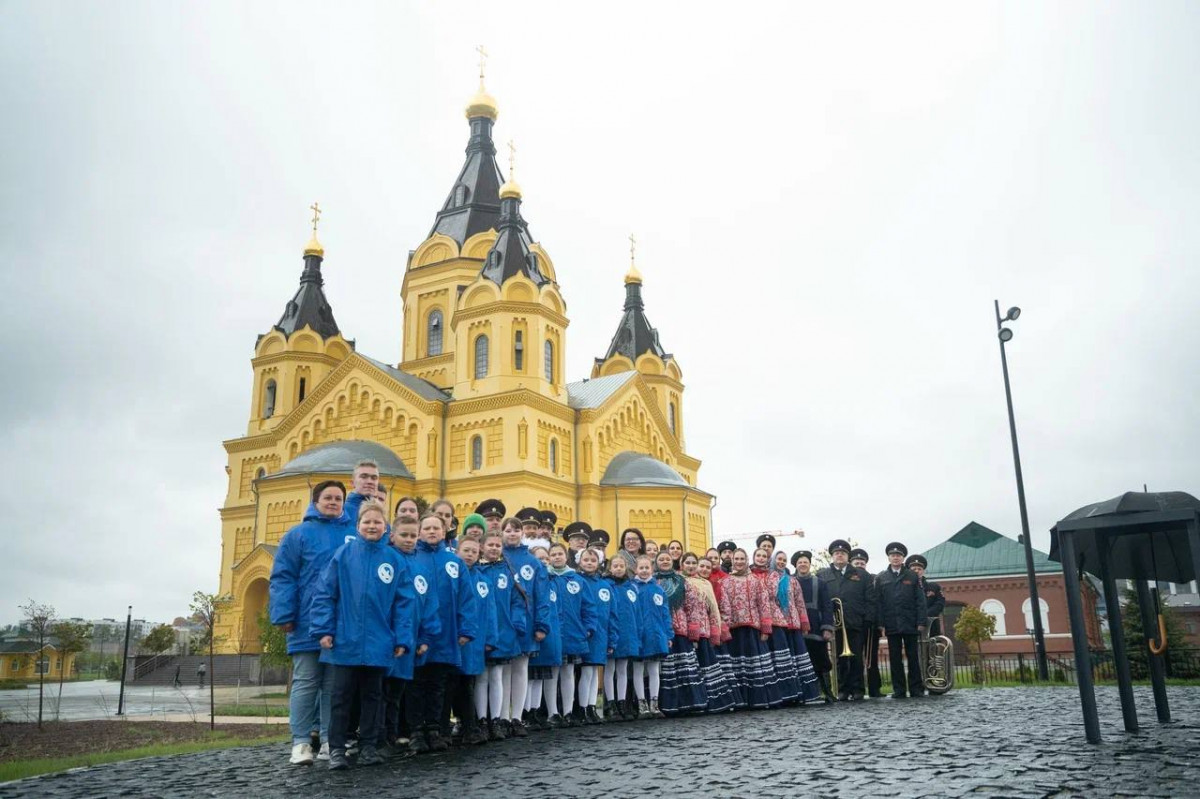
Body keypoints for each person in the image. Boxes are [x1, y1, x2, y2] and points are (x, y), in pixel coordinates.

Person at [310, 501, 414, 770]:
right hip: (345, 641)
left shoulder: (394, 560)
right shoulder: (343, 556)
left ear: (386, 527)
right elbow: (325, 593)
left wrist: (402, 638)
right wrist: (324, 629)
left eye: (377, 522)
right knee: (341, 697)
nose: (372, 526)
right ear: (358, 526)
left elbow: (404, 603)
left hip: (379, 644)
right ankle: (336, 750)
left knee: (373, 697)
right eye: (366, 522)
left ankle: (369, 746)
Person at [269, 479, 353, 765]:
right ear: (315, 501)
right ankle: (301, 742)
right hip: (305, 621)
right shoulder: (298, 534)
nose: (333, 502)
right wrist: (284, 615)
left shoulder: (351, 535)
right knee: (306, 681)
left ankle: (331, 739)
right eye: (328, 497)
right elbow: (283, 576)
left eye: (338, 498)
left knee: (333, 686)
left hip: (341, 623)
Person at [406, 513, 478, 754]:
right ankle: (416, 731)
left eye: (436, 527)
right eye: (426, 527)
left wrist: (466, 629)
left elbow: (467, 598)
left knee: (439, 685)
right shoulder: (410, 557)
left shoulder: (454, 562)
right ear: (419, 530)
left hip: (447, 634)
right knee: (416, 684)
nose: (431, 531)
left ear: (445, 530)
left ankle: (435, 729)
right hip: (416, 633)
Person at [379, 512, 439, 757]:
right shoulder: (386, 559)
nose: (409, 539)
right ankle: (377, 737)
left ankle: (393, 737)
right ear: (392, 536)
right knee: (379, 692)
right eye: (404, 535)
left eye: (413, 536)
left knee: (396, 692)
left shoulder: (421, 566)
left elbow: (429, 605)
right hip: (385, 639)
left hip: (410, 640)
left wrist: (425, 637)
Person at [501, 515, 551, 736]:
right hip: (503, 623)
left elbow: (542, 597)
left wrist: (541, 625)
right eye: (508, 530)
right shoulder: (496, 556)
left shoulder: (534, 563)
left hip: (528, 624)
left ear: (522, 534)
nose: (512, 533)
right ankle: (501, 716)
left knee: (521, 669)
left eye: (516, 530)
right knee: (502, 671)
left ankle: (516, 717)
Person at [444, 536, 494, 746]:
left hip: (475, 640)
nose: (470, 554)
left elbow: (491, 612)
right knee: (450, 684)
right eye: (466, 550)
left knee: (468, 684)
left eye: (474, 551)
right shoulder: (450, 575)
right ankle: (448, 726)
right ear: (457, 551)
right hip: (453, 638)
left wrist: (490, 637)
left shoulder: (484, 580)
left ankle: (469, 725)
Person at [717, 548, 781, 709]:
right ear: (732, 561)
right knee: (738, 666)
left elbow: (764, 604)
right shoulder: (724, 582)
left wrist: (766, 628)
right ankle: (740, 700)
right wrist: (725, 627)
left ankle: (759, 700)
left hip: (753, 629)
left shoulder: (756, 581)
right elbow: (723, 606)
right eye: (736, 559)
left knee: (756, 665)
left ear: (746, 561)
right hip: (734, 630)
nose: (739, 562)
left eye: (741, 559)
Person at [478, 529, 525, 740]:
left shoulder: (507, 571)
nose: (494, 549)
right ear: (482, 546)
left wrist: (517, 624)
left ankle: (496, 719)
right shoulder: (476, 570)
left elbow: (517, 600)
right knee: (481, 677)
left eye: (498, 546)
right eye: (491, 545)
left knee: (496, 676)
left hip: (504, 631)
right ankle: (481, 720)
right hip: (481, 632)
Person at [816, 539, 875, 701]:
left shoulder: (861, 575)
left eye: (842, 553)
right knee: (840, 659)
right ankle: (843, 689)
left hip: (856, 622)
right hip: (835, 624)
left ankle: (858, 689)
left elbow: (870, 599)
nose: (839, 555)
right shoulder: (822, 575)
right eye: (836, 553)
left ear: (848, 556)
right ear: (832, 556)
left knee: (856, 658)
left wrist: (868, 619)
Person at [546, 543, 597, 726]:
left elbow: (588, 606)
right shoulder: (545, 578)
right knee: (552, 674)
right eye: (553, 554)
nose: (557, 557)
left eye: (560, 554)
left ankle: (568, 711)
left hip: (573, 634)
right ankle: (553, 712)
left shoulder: (577, 580)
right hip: (552, 635)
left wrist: (588, 628)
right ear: (549, 557)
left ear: (566, 557)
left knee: (568, 673)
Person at [681, 554, 737, 713]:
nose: (703, 569)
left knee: (707, 666)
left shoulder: (705, 584)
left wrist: (715, 630)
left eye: (707, 567)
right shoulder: (682, 581)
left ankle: (713, 702)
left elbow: (714, 610)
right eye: (701, 566)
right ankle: (695, 702)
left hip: (704, 630)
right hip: (686, 631)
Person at [655, 551, 707, 716]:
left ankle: (690, 703)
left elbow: (693, 606)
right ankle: (668, 705)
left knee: (685, 667)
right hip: (662, 630)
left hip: (681, 629)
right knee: (666, 669)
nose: (664, 561)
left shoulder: (681, 581)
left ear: (673, 562)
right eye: (661, 559)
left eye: (667, 559)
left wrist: (694, 630)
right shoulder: (653, 581)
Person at [749, 547, 802, 704]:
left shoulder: (773, 575)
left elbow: (771, 593)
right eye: (758, 555)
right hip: (756, 619)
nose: (760, 558)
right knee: (764, 659)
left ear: (768, 559)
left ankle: (787, 694)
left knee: (779, 657)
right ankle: (768, 695)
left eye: (764, 556)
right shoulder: (748, 574)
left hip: (775, 618)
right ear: (753, 557)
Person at [876, 542, 927, 699]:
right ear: (889, 558)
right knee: (895, 658)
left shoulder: (912, 576)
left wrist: (921, 621)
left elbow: (920, 600)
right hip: (891, 624)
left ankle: (916, 689)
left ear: (903, 557)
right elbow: (879, 602)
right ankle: (899, 690)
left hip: (910, 622)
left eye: (898, 555)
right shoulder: (881, 577)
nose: (895, 558)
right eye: (893, 555)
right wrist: (881, 623)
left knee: (913, 657)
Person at [577, 547, 617, 722]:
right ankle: (583, 707)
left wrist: (612, 639)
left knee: (594, 672)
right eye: (586, 560)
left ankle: (593, 705)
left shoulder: (605, 586)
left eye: (593, 560)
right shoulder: (576, 581)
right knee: (586, 672)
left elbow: (613, 614)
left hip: (601, 635)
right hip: (584, 634)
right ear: (579, 561)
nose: (589, 563)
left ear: (599, 563)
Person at [527, 543, 564, 729]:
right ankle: (528, 712)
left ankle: (538, 712)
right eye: (539, 559)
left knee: (541, 677)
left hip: (550, 636)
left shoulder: (552, 582)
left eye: (545, 559)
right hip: (535, 635)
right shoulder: (532, 582)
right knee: (530, 678)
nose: (543, 562)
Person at [793, 550, 836, 703]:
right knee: (800, 662)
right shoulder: (790, 581)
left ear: (809, 564)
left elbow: (826, 606)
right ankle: (804, 693)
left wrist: (827, 627)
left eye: (805, 562)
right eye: (800, 562)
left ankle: (827, 692)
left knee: (821, 662)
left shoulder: (820, 582)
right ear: (796, 565)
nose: (803, 564)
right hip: (796, 627)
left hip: (816, 627)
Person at [632, 554, 671, 717]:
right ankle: (642, 704)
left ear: (652, 569)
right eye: (641, 568)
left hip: (656, 635)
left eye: (647, 567)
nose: (644, 570)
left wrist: (669, 635)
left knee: (654, 670)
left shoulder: (658, 589)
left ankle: (654, 703)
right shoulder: (632, 588)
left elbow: (665, 613)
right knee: (638, 669)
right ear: (635, 569)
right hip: (639, 636)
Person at [604, 555, 640, 721]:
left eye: (621, 566)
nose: (618, 568)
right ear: (610, 568)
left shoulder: (631, 588)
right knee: (610, 669)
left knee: (623, 670)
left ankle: (622, 701)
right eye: (615, 566)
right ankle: (610, 703)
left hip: (627, 634)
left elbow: (636, 613)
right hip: (611, 633)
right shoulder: (606, 586)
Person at [850, 547, 882, 698]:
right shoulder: (848, 580)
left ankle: (875, 689)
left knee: (871, 659)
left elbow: (877, 602)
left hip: (871, 625)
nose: (860, 565)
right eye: (856, 563)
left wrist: (873, 621)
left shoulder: (874, 579)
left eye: (862, 563)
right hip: (855, 624)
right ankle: (857, 689)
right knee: (855, 658)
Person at [907, 554, 945, 635]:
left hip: (931, 626)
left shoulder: (934, 587)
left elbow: (940, 604)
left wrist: (923, 616)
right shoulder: (904, 588)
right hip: (911, 625)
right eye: (914, 569)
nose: (917, 571)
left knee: (933, 646)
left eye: (919, 569)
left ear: (923, 571)